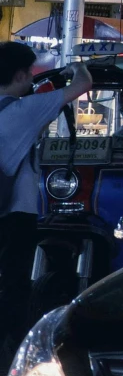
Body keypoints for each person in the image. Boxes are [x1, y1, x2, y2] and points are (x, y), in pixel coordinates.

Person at [0, 43, 95, 351]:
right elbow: (84, 85)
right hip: (15, 212)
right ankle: (14, 350)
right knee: (14, 284)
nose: (31, 79)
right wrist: (76, 68)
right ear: (18, 75)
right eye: (29, 73)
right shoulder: (22, 109)